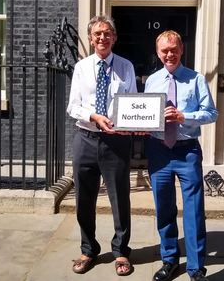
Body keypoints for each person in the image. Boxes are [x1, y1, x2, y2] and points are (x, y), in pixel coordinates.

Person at [144, 30, 218, 281]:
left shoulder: (196, 80)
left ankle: (196, 268)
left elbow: (211, 113)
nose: (169, 54)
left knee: (194, 210)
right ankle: (169, 260)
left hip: (187, 151)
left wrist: (184, 117)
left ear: (181, 50)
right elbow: (144, 114)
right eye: (164, 50)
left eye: (174, 49)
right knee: (163, 207)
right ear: (158, 52)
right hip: (158, 151)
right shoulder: (152, 81)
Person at [67, 14, 137, 276]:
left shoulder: (126, 67)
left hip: (117, 141)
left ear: (114, 38)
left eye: (107, 33)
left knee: (120, 198)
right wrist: (93, 116)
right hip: (85, 139)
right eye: (97, 33)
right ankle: (88, 249)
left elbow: (131, 102)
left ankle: (121, 252)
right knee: (84, 198)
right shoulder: (82, 68)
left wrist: (132, 123)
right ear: (90, 38)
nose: (102, 38)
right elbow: (73, 106)